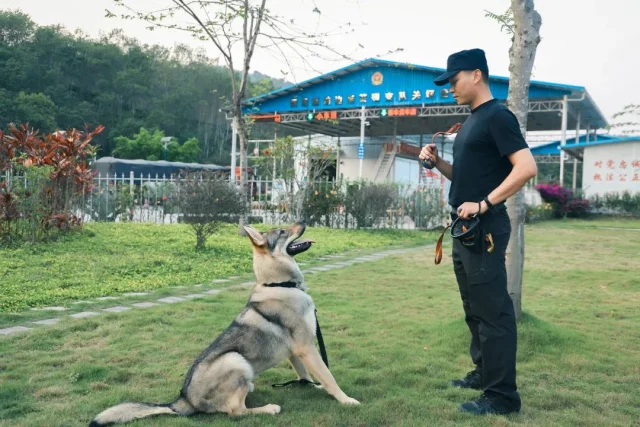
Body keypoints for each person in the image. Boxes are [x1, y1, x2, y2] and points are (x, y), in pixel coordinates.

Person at [419, 48, 537, 415]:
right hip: (464, 228)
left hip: (483, 227)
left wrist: (485, 204)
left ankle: (501, 397)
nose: (449, 88)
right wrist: (438, 163)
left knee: (493, 313)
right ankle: (483, 371)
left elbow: (526, 167)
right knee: (474, 308)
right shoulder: (472, 121)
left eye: (453, 81)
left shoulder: (498, 116)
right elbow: (468, 178)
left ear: (475, 75)